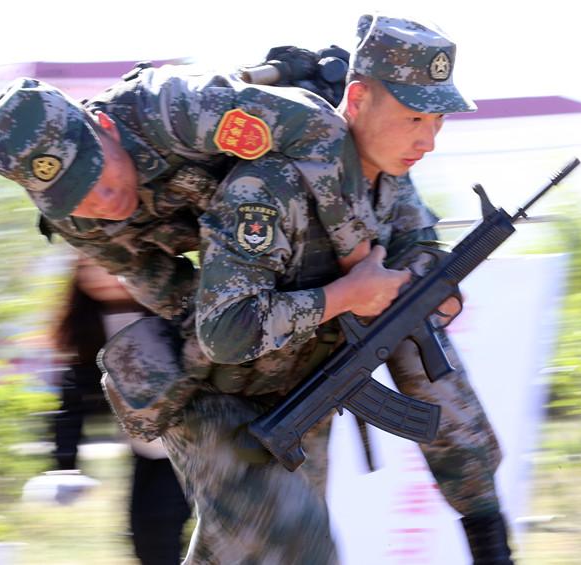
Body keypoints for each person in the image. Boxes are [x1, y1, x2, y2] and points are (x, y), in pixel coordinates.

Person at [187, 14, 513, 565]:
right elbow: (225, 331)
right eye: (414, 117)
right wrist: (346, 297)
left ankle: (492, 543)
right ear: (357, 99)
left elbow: (418, 241)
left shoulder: (390, 177)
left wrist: (429, 283)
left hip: (308, 388)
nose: (428, 140)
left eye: (438, 120)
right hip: (236, 404)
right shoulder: (267, 186)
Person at [0, 64, 377, 327]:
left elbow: (318, 125)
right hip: (261, 265)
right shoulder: (71, 217)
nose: (101, 200)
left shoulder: (175, 109)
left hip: (343, 197)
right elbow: (148, 276)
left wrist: (353, 252)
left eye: (95, 174)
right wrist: (232, 326)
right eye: (75, 195)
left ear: (106, 127)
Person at [51, 256, 191, 564]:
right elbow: (73, 403)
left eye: (105, 262)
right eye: (87, 267)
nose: (99, 275)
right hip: (147, 454)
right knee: (146, 541)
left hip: (197, 447)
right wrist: (65, 464)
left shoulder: (174, 309)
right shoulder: (88, 327)